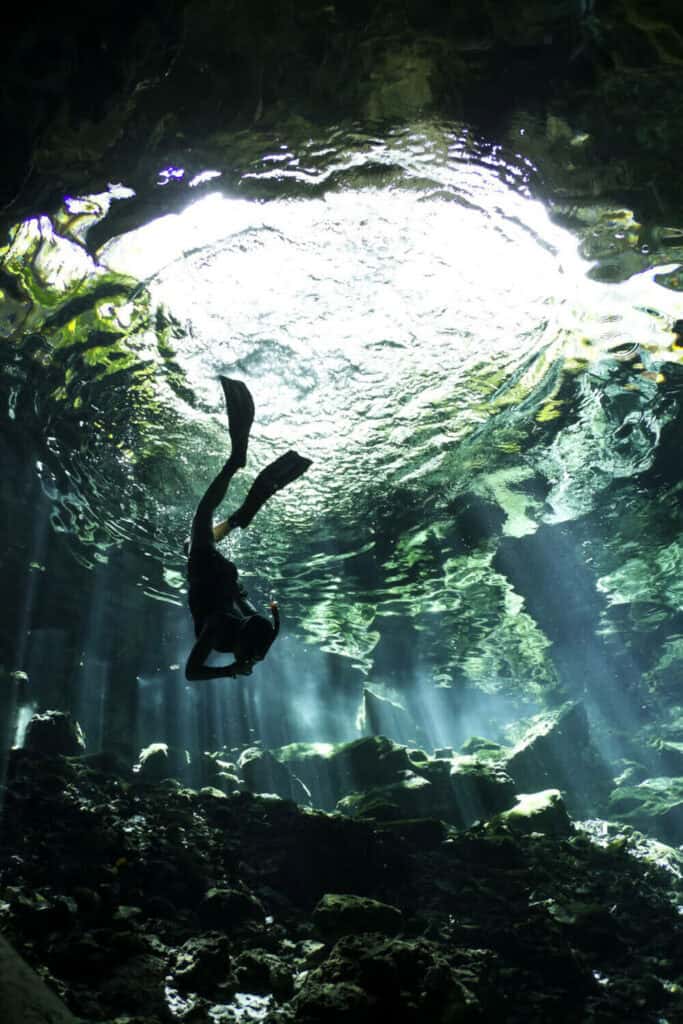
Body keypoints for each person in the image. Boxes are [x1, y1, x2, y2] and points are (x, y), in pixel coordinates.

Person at [185, 377, 311, 682]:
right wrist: (229, 669)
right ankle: (234, 462)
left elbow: (246, 605)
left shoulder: (249, 628)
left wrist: (236, 664)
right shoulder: (220, 630)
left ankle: (239, 518)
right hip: (207, 573)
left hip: (221, 576)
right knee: (202, 514)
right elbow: (192, 672)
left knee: (192, 543)